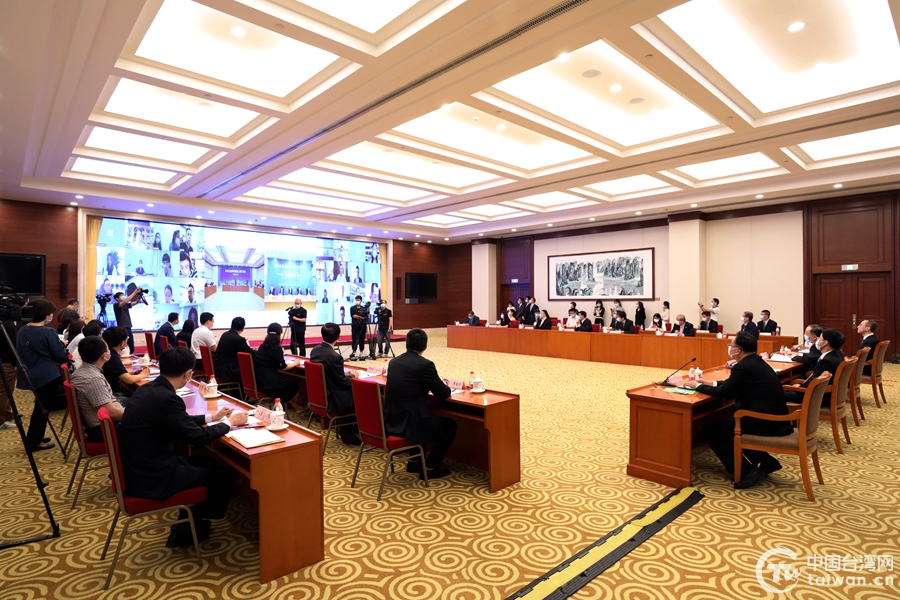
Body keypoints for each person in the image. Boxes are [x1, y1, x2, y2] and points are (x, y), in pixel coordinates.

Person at [118, 346, 246, 548]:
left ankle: (191, 523)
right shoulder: (167, 398)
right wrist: (230, 423)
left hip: (138, 466)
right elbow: (198, 438)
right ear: (188, 374)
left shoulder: (148, 389)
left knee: (207, 462)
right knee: (226, 475)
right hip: (153, 476)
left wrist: (213, 417)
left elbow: (177, 420)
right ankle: (193, 524)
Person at [683, 332, 793, 489]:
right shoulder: (754, 362)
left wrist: (698, 386)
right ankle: (767, 462)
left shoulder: (743, 367)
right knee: (726, 424)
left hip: (765, 421)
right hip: (774, 417)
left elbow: (723, 393)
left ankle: (745, 471)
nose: (729, 348)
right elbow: (732, 384)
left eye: (731, 345)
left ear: (737, 350)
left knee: (712, 431)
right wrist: (710, 383)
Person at [383, 328, 456, 479]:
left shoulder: (394, 362)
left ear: (406, 343)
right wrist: (444, 384)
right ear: (425, 346)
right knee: (449, 426)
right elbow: (443, 393)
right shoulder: (425, 365)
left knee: (422, 412)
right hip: (410, 425)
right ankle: (430, 467)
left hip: (390, 421)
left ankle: (414, 461)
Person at [15, 299, 67, 451]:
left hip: (30, 373)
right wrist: (62, 346)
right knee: (43, 409)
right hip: (48, 374)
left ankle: (35, 435)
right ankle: (34, 440)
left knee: (39, 406)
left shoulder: (22, 330)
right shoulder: (48, 332)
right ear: (46, 315)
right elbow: (59, 356)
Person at [309, 323, 361, 445]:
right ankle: (347, 429)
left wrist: (343, 374)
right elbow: (343, 383)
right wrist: (353, 376)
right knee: (362, 396)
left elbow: (327, 373)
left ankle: (353, 426)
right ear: (338, 336)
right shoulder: (335, 357)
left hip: (321, 396)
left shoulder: (315, 351)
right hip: (334, 399)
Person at [70, 336, 125, 443]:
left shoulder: (82, 371)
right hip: (105, 429)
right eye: (108, 349)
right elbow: (111, 413)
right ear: (104, 356)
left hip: (102, 424)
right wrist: (135, 417)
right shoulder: (93, 379)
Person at [784, 329, 844, 406]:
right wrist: (801, 385)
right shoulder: (835, 356)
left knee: (777, 394)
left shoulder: (826, 361)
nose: (818, 341)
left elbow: (815, 381)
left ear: (825, 343)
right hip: (821, 393)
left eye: (820, 338)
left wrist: (800, 387)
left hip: (816, 397)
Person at [253, 323, 303, 408]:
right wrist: (295, 363)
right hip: (270, 382)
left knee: (287, 383)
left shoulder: (262, 346)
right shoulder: (276, 348)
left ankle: (298, 408)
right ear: (280, 333)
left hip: (260, 380)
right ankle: (301, 407)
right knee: (293, 384)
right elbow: (283, 367)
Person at [102, 327, 149, 396]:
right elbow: (129, 380)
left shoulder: (109, 353)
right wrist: (144, 374)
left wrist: (135, 373)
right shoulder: (112, 357)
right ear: (122, 342)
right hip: (113, 395)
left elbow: (119, 373)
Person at [113, 288, 141, 353]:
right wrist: (135, 292)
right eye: (121, 296)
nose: (124, 297)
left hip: (128, 326)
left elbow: (136, 302)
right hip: (122, 327)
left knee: (131, 343)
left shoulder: (126, 305)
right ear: (117, 298)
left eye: (124, 295)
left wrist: (139, 296)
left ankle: (131, 353)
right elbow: (125, 301)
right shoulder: (116, 305)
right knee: (123, 343)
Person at [349, 295, 367, 360]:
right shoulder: (352, 308)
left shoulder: (364, 308)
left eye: (358, 300)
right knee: (354, 339)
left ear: (361, 301)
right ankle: (354, 352)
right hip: (355, 326)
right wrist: (361, 317)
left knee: (362, 339)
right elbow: (353, 315)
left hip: (362, 326)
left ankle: (361, 352)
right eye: (356, 300)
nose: (357, 301)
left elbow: (367, 316)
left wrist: (364, 317)